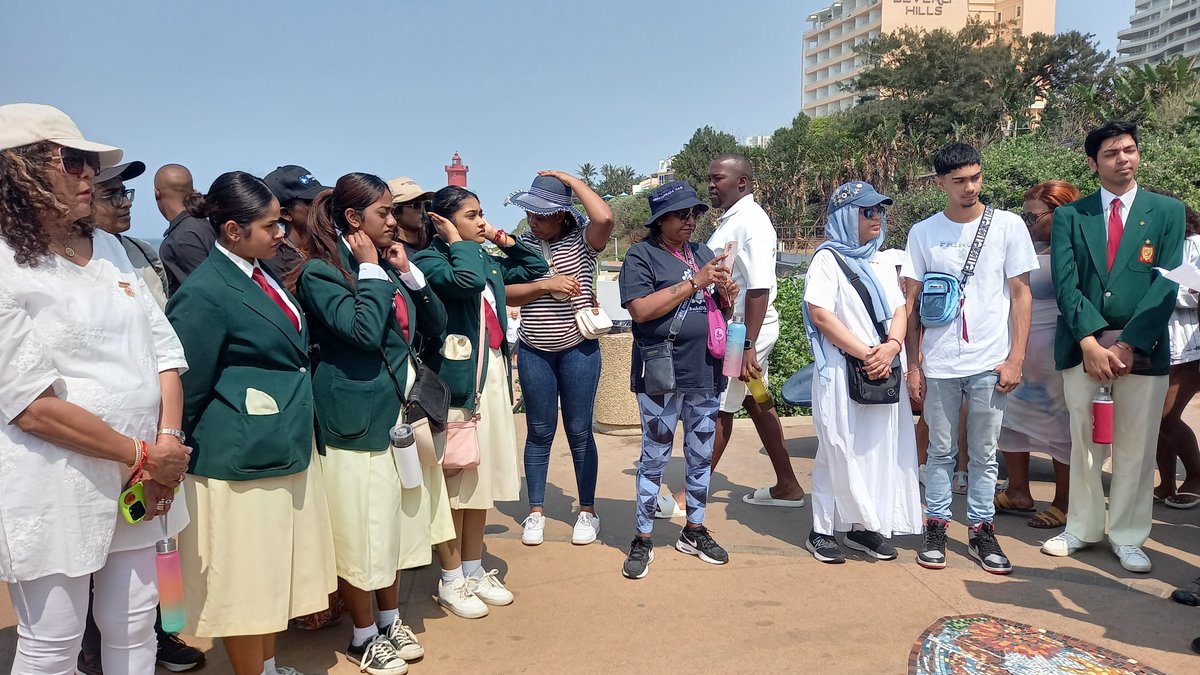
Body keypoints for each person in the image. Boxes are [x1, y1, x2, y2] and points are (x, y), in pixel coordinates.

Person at [0, 103, 192, 674]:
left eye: (91, 164)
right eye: (75, 161)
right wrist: (145, 456)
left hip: (147, 476)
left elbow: (165, 353)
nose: (91, 176)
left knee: (137, 624)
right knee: (53, 640)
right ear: (19, 171)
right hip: (56, 480)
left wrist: (168, 443)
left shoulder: (110, 250)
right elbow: (29, 406)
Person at [166, 171, 337, 675]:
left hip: (278, 444)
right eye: (270, 226)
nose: (281, 233)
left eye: (280, 222)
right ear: (233, 231)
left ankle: (264, 665)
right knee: (243, 582)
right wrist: (176, 455)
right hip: (235, 459)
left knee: (269, 575)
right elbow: (188, 386)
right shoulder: (207, 291)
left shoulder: (256, 273)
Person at [292, 173, 451, 675]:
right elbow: (361, 332)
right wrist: (370, 272)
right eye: (383, 213)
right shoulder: (321, 273)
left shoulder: (382, 264)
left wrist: (407, 276)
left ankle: (388, 618)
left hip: (396, 417)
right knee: (360, 529)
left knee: (391, 525)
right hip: (355, 425)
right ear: (353, 219)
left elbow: (435, 328)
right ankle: (363, 635)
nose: (394, 222)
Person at [1042, 121, 1186, 573]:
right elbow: (1066, 285)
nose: (1123, 158)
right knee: (1085, 442)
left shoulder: (1167, 212)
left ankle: (1127, 534)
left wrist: (1127, 345)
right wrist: (1088, 341)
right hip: (1082, 348)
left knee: (1136, 447)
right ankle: (1082, 527)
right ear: (1093, 163)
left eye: (1129, 150)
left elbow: (1167, 285)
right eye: (1111, 153)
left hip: (1142, 349)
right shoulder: (1072, 216)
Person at [81, 158, 205, 673]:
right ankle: (94, 647)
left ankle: (163, 633)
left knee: (159, 543)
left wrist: (169, 432)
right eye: (114, 196)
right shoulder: (63, 262)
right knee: (95, 555)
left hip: (160, 430)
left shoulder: (141, 254)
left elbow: (164, 343)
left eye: (127, 195)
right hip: (100, 440)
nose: (124, 205)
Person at [413, 186, 548, 617]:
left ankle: (472, 568)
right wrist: (455, 241)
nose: (481, 221)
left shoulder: (481, 255)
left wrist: (499, 237)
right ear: (444, 222)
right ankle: (450, 577)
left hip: (488, 382)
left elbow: (535, 266)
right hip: (455, 389)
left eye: (481, 214)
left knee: (479, 483)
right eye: (471, 215)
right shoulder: (432, 260)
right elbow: (465, 282)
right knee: (454, 487)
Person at [903, 142, 1036, 575]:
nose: (970, 187)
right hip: (939, 363)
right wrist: (914, 364)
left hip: (989, 361)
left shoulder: (1008, 226)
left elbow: (1020, 294)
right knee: (939, 452)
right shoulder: (923, 232)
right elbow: (912, 303)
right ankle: (936, 526)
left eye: (975, 177)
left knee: (984, 453)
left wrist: (1015, 358)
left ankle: (981, 531)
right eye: (959, 180)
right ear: (940, 182)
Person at [660, 154, 806, 517]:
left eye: (717, 178)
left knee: (720, 407)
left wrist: (748, 345)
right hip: (739, 329)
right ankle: (787, 484)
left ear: (741, 182)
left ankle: (691, 494)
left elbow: (759, 287)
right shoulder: (732, 221)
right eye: (709, 178)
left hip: (745, 332)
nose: (711, 184)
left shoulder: (752, 222)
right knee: (757, 402)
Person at [618, 181, 739, 579]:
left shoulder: (701, 252)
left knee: (701, 455)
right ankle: (643, 536)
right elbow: (640, 310)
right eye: (682, 215)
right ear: (660, 220)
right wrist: (695, 282)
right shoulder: (641, 256)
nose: (691, 221)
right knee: (654, 456)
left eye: (696, 214)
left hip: (704, 369)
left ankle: (695, 529)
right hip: (660, 371)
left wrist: (726, 295)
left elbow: (715, 304)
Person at [802, 182, 922, 564]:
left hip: (883, 367)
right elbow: (821, 315)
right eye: (866, 211)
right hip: (842, 369)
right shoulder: (826, 260)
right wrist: (867, 353)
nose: (876, 218)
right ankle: (821, 530)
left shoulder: (882, 261)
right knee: (837, 448)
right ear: (844, 216)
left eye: (879, 211)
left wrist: (891, 347)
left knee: (878, 448)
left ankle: (863, 528)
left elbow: (900, 311)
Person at [502, 171, 614, 547]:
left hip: (579, 349)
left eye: (542, 213)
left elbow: (605, 218)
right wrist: (545, 285)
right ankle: (535, 512)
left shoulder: (584, 241)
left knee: (580, 432)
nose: (534, 220)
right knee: (539, 431)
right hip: (535, 351)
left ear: (563, 212)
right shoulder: (523, 245)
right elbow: (507, 293)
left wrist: (567, 179)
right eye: (530, 213)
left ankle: (587, 510)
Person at [994, 180, 1082, 529]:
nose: (1025, 224)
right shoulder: (1025, 249)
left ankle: (1064, 501)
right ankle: (1018, 491)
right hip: (1016, 350)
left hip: (1053, 355)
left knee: (1060, 428)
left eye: (1032, 217)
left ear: (1058, 215)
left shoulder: (1074, 251)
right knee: (1009, 423)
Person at [1152, 191, 1200, 509]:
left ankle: (1196, 476)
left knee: (1166, 417)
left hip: (1187, 345)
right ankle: (1166, 481)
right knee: (1151, 418)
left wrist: (1164, 287)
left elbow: (1196, 292)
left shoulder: (1195, 244)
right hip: (1153, 342)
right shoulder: (1151, 245)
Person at [90, 161, 170, 308]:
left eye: (123, 193)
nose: (126, 203)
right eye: (111, 195)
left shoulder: (142, 251)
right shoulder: (74, 262)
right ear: (83, 201)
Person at [157, 163, 216, 293]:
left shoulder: (182, 238)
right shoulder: (205, 223)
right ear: (192, 190)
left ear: (157, 194)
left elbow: (206, 291)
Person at [262, 164, 327, 280]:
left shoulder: (331, 249)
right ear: (286, 214)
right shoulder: (275, 262)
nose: (321, 205)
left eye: (322, 199)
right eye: (310, 202)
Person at [388, 176, 435, 257]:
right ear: (395, 212)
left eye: (426, 204)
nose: (422, 210)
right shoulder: (394, 253)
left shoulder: (433, 244)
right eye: (417, 205)